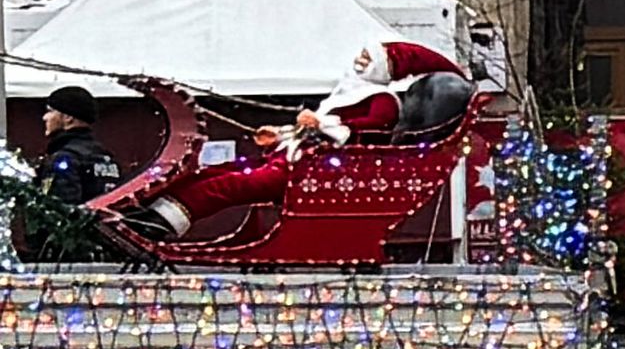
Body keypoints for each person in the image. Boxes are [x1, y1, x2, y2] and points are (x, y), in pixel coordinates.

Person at [136, 38, 471, 236]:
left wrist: (318, 123)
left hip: (312, 170)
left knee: (229, 184)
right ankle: (156, 213)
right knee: (216, 172)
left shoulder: (384, 102)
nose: (359, 61)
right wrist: (280, 133)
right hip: (297, 158)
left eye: (367, 58)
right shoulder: (353, 93)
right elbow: (320, 127)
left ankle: (164, 224)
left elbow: (362, 132)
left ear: (381, 68)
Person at [31, 85, 128, 212]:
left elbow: (59, 214)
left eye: (50, 111)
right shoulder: (107, 158)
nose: (45, 118)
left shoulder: (65, 158)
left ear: (68, 118)